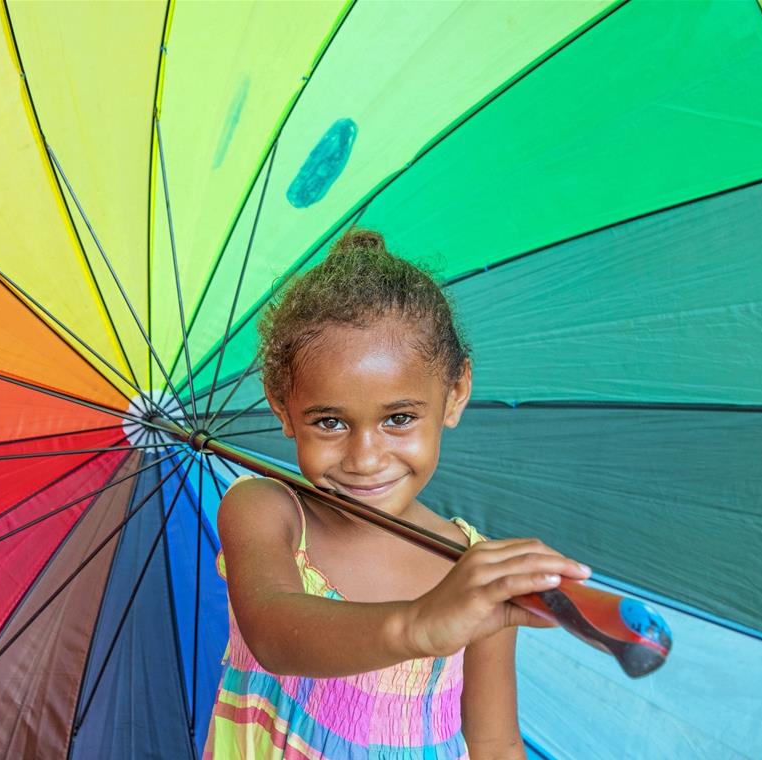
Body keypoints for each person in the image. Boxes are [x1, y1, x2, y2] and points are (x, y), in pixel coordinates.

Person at [203, 229, 590, 759]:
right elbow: (272, 631)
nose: (364, 459)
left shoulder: (474, 571)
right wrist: (419, 625)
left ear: (454, 394)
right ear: (281, 407)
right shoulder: (264, 510)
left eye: (399, 418)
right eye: (331, 422)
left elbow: (493, 739)